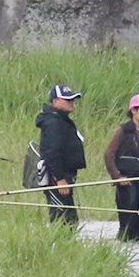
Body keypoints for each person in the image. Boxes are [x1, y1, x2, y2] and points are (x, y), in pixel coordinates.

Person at [104, 93, 139, 241]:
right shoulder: (123, 131)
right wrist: (117, 177)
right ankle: (122, 246)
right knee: (128, 222)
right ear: (134, 111)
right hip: (128, 184)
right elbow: (108, 155)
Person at [35, 84, 87, 226]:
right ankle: (56, 246)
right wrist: (60, 179)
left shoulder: (61, 120)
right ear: (55, 101)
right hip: (56, 178)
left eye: (72, 100)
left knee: (70, 219)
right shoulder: (53, 123)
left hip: (66, 175)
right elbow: (52, 153)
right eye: (67, 100)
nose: (72, 103)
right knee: (61, 219)